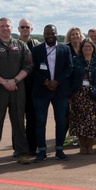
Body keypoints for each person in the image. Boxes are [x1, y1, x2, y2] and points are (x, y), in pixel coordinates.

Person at [0, 17, 34, 166]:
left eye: (8, 26)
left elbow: (28, 66)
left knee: (18, 121)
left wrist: (15, 81)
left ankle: (22, 153)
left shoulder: (21, 45)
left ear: (12, 28)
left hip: (17, 88)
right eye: (2, 26)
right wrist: (4, 82)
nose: (5, 28)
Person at [31, 24, 74, 161]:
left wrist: (57, 82)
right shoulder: (36, 50)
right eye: (47, 33)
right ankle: (42, 150)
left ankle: (59, 150)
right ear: (43, 34)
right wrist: (45, 82)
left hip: (60, 91)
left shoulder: (65, 49)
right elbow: (33, 69)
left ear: (57, 34)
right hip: (41, 91)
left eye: (52, 33)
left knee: (61, 121)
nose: (50, 36)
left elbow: (69, 67)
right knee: (40, 122)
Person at [70, 38, 96, 154]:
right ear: (81, 48)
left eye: (90, 46)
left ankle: (90, 144)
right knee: (79, 120)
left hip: (93, 95)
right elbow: (69, 78)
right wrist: (69, 96)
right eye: (85, 46)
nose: (88, 48)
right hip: (78, 94)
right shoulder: (75, 60)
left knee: (91, 121)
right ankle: (82, 145)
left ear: (93, 48)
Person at [17, 18, 39, 156]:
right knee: (17, 119)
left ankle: (32, 147)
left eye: (27, 27)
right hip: (17, 86)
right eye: (22, 27)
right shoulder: (13, 44)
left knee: (33, 118)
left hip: (33, 87)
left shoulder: (36, 45)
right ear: (18, 29)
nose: (25, 29)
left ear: (32, 29)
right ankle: (18, 148)